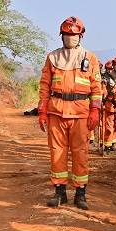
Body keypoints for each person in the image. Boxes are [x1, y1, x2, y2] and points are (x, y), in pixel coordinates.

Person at [37, 17, 103, 209]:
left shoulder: (89, 58)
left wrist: (95, 110)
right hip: (56, 111)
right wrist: (42, 110)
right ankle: (60, 192)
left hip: (80, 113)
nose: (70, 38)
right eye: (67, 35)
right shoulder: (52, 57)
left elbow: (96, 88)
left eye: (74, 35)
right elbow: (44, 86)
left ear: (80, 36)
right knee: (57, 153)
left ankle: (80, 193)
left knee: (80, 153)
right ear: (62, 36)